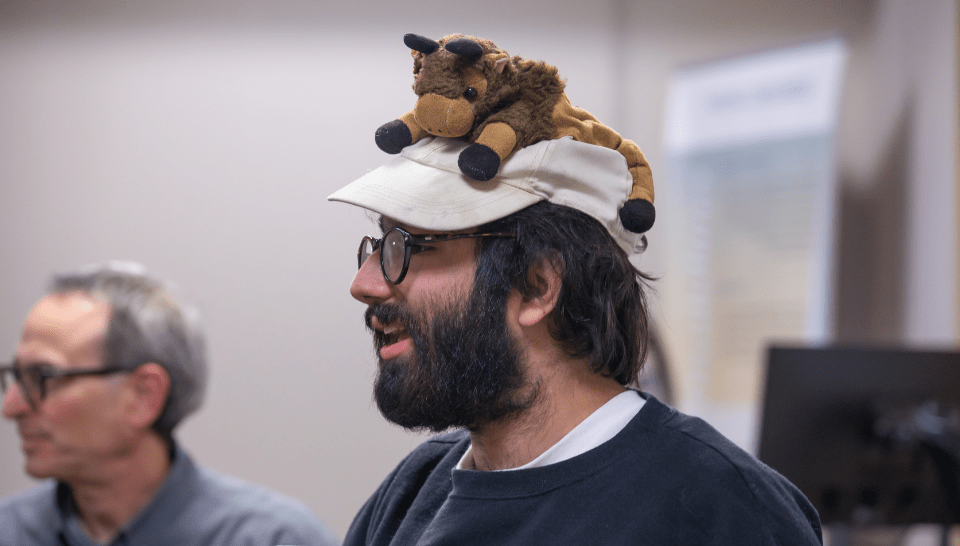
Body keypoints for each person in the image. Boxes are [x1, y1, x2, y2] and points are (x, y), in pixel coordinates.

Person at [327, 135, 823, 542]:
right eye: (380, 244)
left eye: (411, 246)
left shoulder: (721, 510)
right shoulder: (415, 489)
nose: (365, 284)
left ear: (537, 287)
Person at [0, 262, 337, 546]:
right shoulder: (10, 531)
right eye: (15, 376)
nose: (11, 407)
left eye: (42, 376)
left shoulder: (271, 538)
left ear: (144, 396)